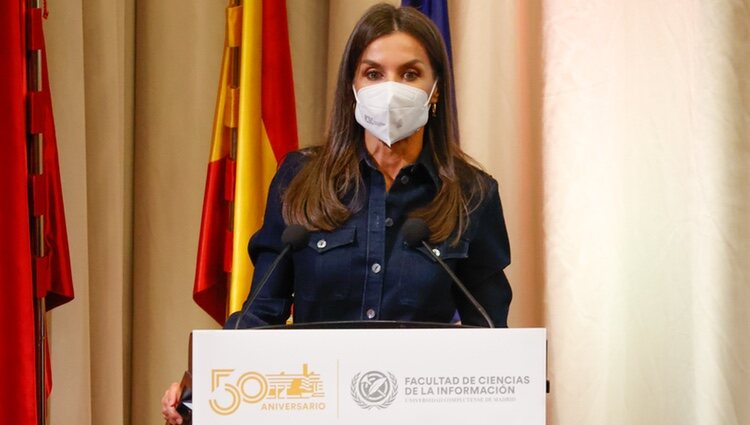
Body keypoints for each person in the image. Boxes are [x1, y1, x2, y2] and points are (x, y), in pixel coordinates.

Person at [162, 3, 512, 423]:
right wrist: (206, 387)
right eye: (374, 73)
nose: (391, 88)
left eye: (410, 74)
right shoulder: (301, 179)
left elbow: (490, 335)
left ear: (436, 90)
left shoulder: (473, 194)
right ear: (353, 86)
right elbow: (261, 312)